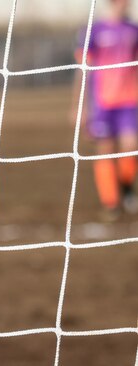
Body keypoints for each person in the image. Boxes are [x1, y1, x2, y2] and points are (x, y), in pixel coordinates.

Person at [73, 0, 138, 221]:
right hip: (102, 102)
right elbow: (82, 71)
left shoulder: (133, 30)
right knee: (105, 150)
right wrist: (79, 105)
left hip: (130, 101)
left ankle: (127, 187)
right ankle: (111, 202)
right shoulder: (94, 31)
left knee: (131, 147)